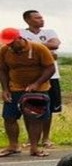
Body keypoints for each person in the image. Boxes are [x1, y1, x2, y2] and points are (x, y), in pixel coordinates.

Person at [0, 27, 56, 158]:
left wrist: (36, 83)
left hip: (37, 90)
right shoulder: (4, 51)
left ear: (20, 38)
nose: (9, 45)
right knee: (9, 117)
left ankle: (34, 148)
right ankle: (13, 146)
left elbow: (50, 68)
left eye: (11, 42)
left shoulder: (38, 48)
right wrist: (5, 89)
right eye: (7, 43)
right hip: (15, 89)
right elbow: (2, 70)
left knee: (35, 118)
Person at [20, 10, 61, 149]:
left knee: (48, 108)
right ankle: (31, 139)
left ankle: (46, 138)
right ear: (27, 20)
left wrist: (31, 46)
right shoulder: (21, 33)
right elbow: (19, 48)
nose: (41, 20)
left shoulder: (50, 32)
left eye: (41, 17)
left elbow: (55, 44)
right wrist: (45, 50)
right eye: (37, 18)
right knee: (29, 107)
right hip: (30, 76)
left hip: (51, 75)